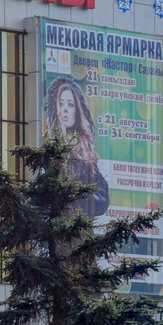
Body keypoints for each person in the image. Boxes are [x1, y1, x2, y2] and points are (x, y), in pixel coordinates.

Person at [44, 77, 111, 219]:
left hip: (79, 228)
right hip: (54, 228)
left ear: (78, 110)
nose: (65, 110)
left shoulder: (85, 153)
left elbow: (102, 199)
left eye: (71, 104)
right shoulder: (49, 148)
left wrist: (77, 199)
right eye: (61, 104)